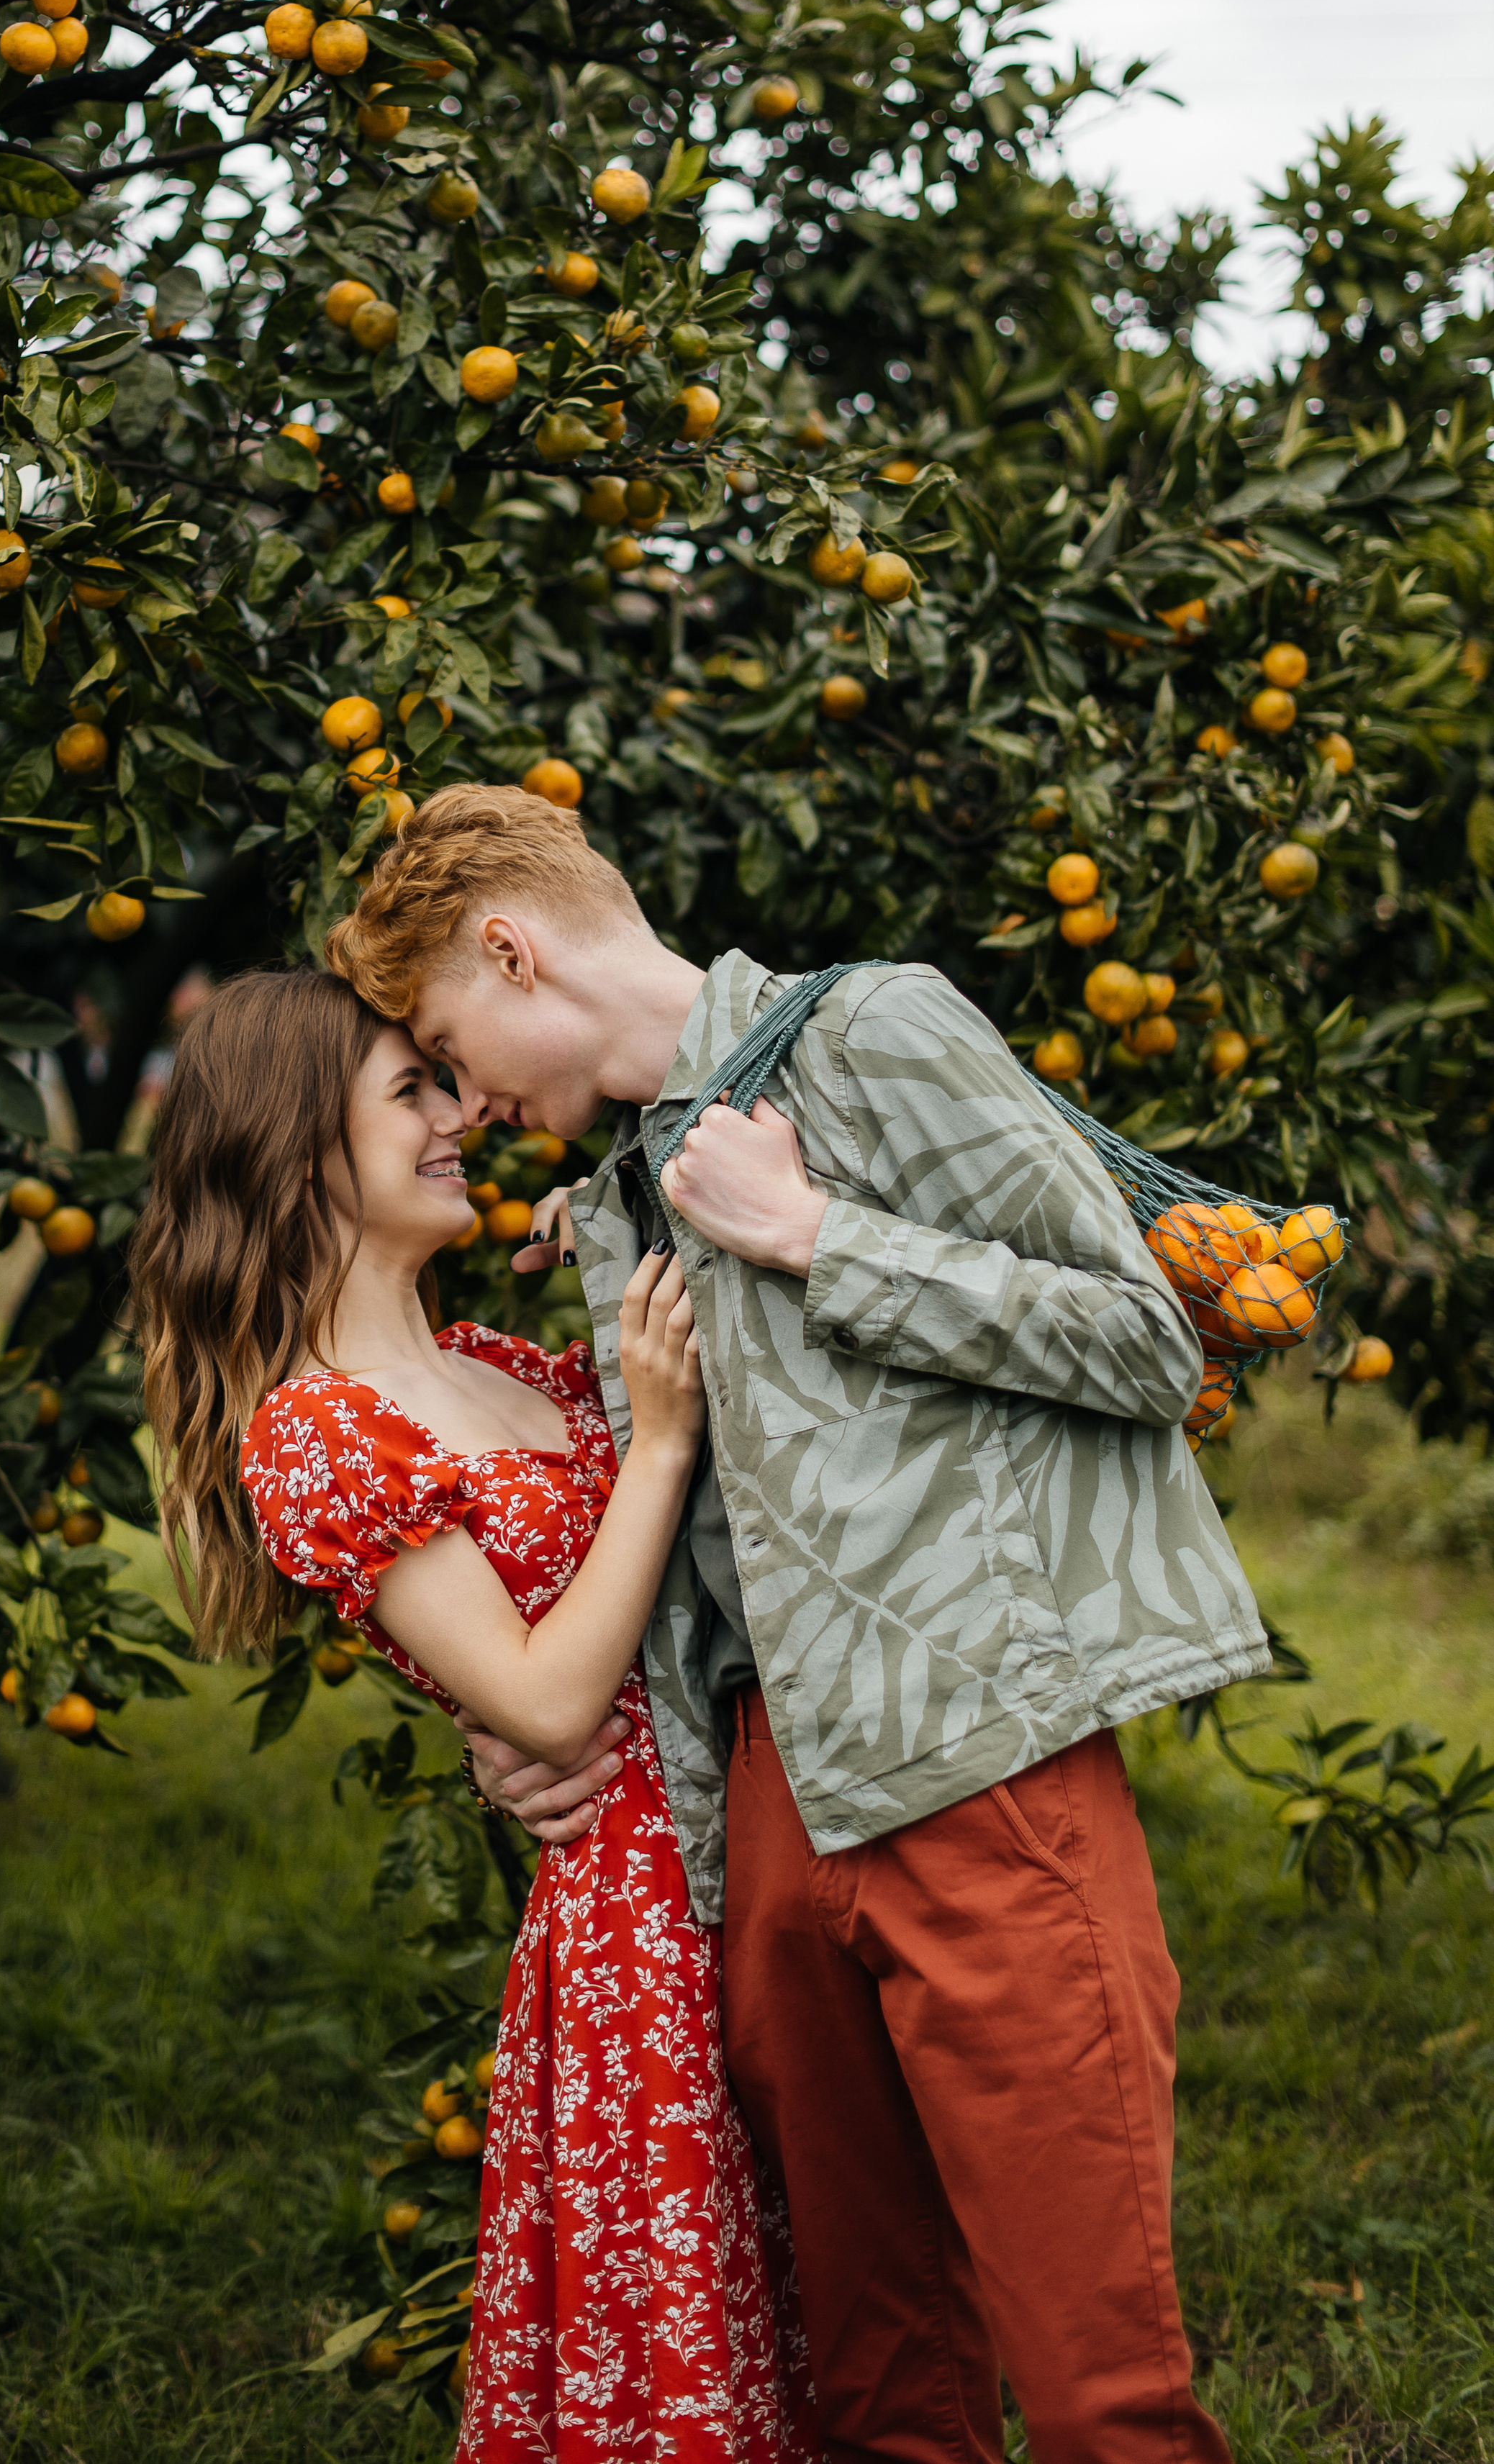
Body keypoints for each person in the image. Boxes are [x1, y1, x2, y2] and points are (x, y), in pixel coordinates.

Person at [326, 782, 1272, 2464]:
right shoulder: (617, 1196)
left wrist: (823, 1234)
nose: (466, 1095)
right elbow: (648, 1523)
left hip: (982, 1769)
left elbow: (1146, 1342)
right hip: (767, 1818)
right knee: (872, 2385)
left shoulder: (871, 1034)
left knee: (1096, 2388)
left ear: (508, 944)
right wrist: (519, 1719)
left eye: (448, 1040)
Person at [125, 966, 817, 2464]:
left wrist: (632, 1236)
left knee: (810, 2302)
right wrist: (654, 1440)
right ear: (303, 1147)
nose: (459, 1117)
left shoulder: (484, 1363)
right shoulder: (316, 1431)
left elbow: (629, 1599)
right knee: (693, 2341)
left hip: (742, 1836)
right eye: (410, 1093)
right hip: (638, 1913)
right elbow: (553, 1699)